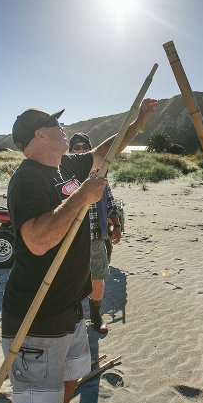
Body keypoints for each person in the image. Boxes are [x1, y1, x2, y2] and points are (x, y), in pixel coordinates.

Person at [2, 98, 157, 403]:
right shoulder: (27, 178)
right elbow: (37, 240)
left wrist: (138, 121)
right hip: (37, 316)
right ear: (39, 136)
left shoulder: (65, 167)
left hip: (70, 309)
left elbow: (105, 150)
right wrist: (83, 197)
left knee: (69, 382)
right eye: (55, 125)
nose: (63, 129)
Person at [68, 132, 124, 334]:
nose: (81, 151)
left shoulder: (101, 174)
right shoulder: (66, 174)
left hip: (94, 236)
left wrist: (116, 225)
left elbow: (110, 202)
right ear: (71, 151)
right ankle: (73, 316)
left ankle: (95, 314)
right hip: (70, 239)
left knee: (98, 277)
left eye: (85, 147)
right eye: (77, 147)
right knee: (69, 279)